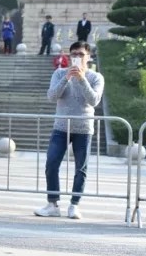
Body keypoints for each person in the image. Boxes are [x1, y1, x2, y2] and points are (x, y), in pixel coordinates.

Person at [35, 41, 104, 220]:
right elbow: (51, 96)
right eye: (73, 54)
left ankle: (74, 205)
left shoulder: (96, 77)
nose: (76, 57)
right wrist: (67, 78)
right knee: (51, 163)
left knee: (81, 168)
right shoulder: (59, 73)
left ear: (88, 57)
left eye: (81, 54)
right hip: (61, 127)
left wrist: (81, 79)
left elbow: (94, 100)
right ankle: (52, 203)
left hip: (83, 128)